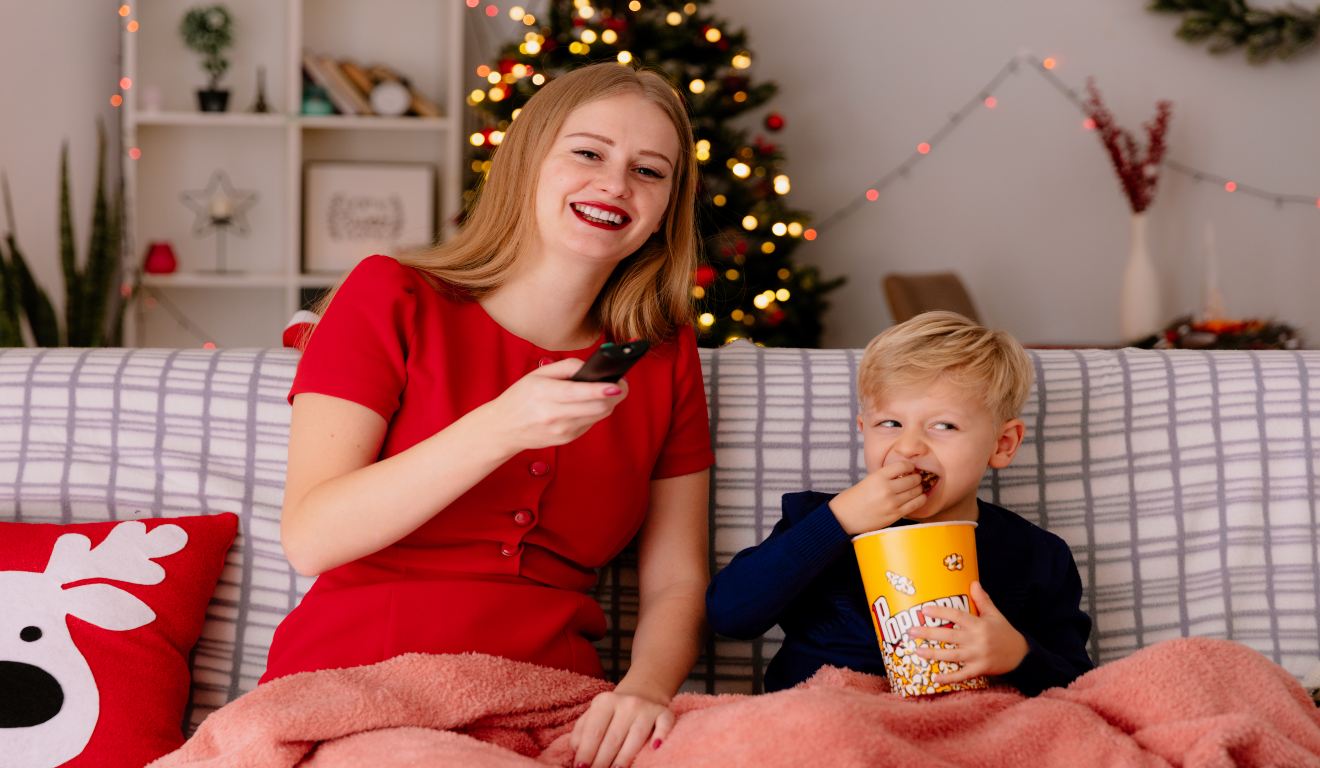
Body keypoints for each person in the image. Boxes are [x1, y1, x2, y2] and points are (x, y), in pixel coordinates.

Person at [263, 63, 713, 768]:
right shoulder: (389, 294)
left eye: (648, 171)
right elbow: (311, 537)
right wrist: (503, 425)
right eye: (588, 153)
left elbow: (676, 580)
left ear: (666, 208)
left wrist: (645, 692)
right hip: (362, 690)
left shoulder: (662, 354)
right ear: (527, 159)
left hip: (557, 704)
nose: (615, 185)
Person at [705, 311, 1094, 695]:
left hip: (968, 720)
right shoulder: (815, 521)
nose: (909, 447)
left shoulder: (1038, 555)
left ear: (1003, 444)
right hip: (828, 715)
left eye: (943, 425)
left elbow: (1074, 683)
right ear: (864, 430)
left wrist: (1018, 655)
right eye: (890, 424)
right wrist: (836, 522)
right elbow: (729, 615)